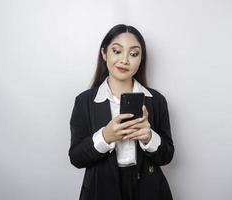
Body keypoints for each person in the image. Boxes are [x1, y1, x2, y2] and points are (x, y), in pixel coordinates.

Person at [69, 24, 174, 200]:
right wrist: (105, 136)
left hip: (149, 189)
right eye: (117, 51)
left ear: (141, 60)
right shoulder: (84, 101)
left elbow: (167, 156)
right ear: (104, 53)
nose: (124, 60)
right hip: (100, 190)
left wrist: (149, 137)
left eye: (133, 54)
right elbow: (76, 158)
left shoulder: (156, 101)